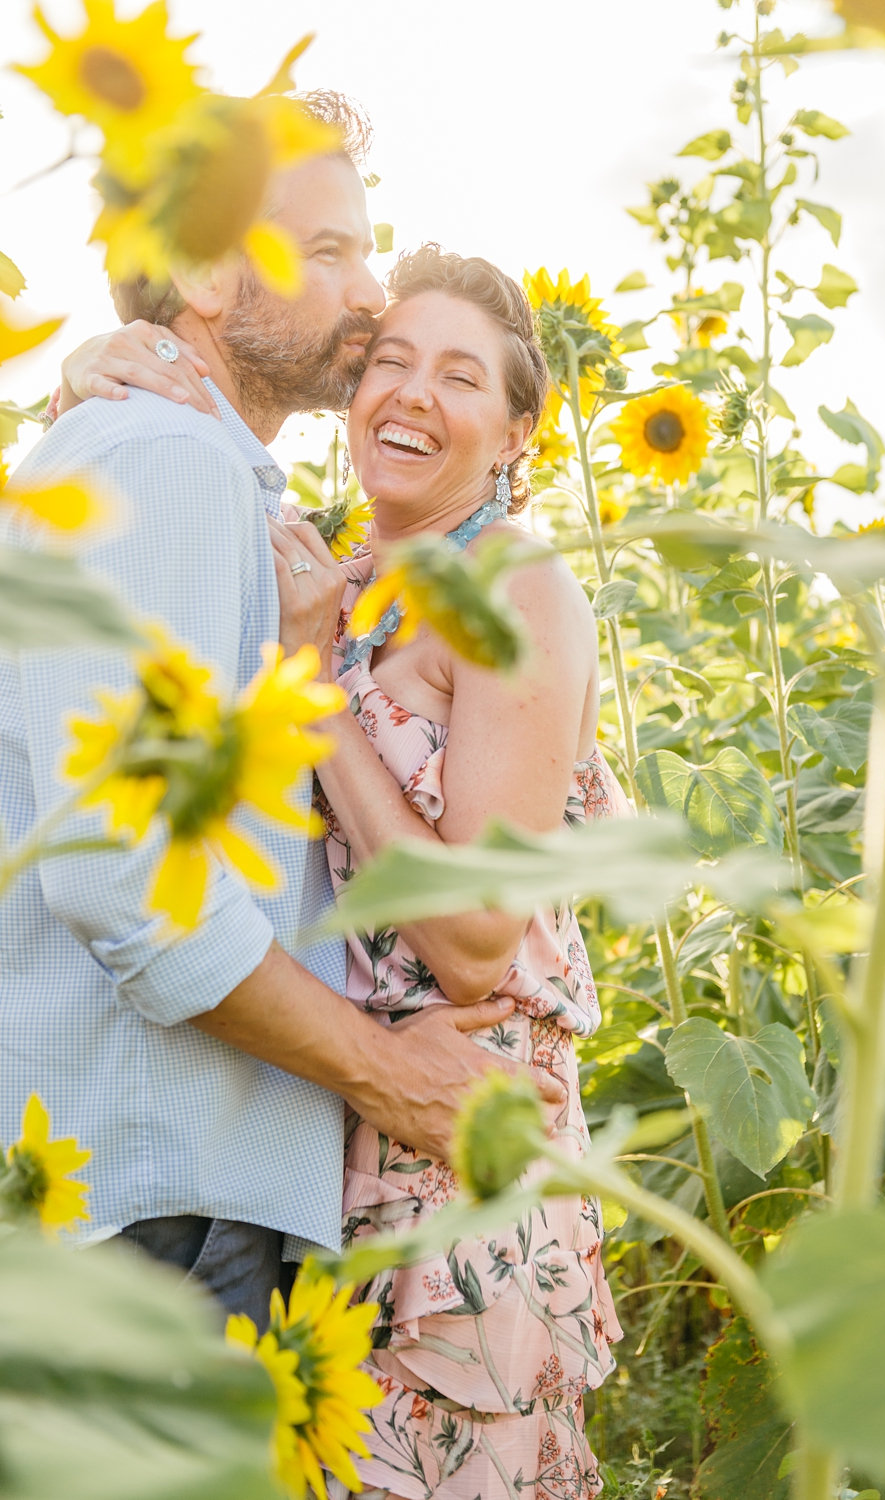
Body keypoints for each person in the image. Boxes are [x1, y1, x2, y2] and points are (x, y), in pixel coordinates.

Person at [67, 244, 627, 1498]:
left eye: (460, 375)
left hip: (457, 1150)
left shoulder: (513, 590)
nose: (412, 395)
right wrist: (103, 362)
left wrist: (317, 696)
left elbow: (478, 936)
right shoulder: (332, 568)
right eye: (390, 361)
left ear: (515, 427)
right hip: (326, 1125)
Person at [0, 92, 560, 1336]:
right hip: (153, 1196)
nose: (368, 294)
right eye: (328, 253)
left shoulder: (207, 477)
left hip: (167, 1187)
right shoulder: (164, 465)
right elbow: (131, 882)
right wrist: (390, 1074)